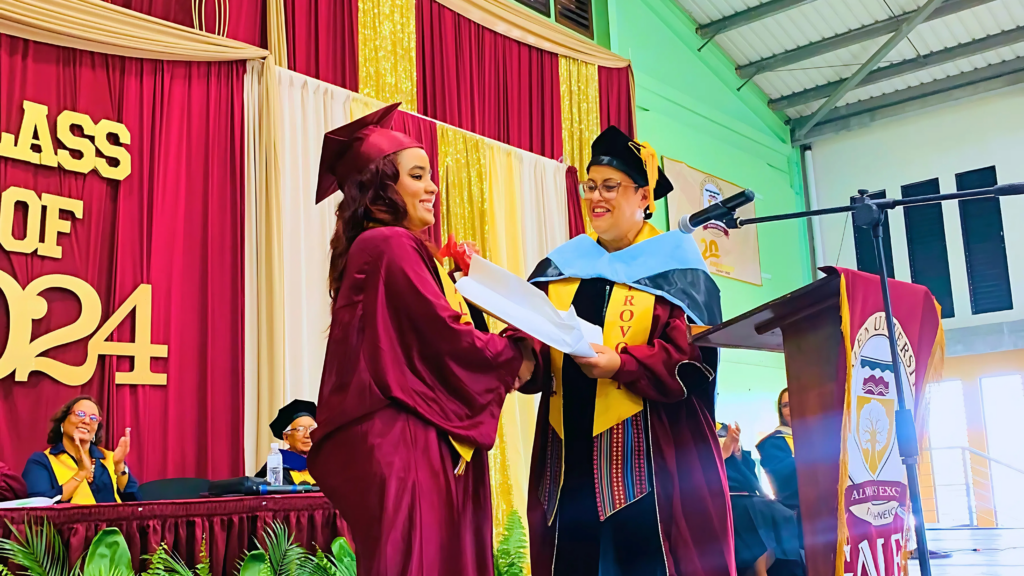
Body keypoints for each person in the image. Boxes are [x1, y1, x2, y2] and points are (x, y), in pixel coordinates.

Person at [306, 103, 535, 576]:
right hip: (409, 441)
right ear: (378, 189)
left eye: (430, 175)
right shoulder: (390, 243)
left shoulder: (371, 247)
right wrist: (518, 352)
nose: (432, 188)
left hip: (400, 437)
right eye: (417, 176)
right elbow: (443, 339)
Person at [515, 125, 734, 576]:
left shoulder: (678, 271)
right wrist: (520, 358)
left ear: (644, 196)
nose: (596, 197)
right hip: (567, 462)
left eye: (610, 186)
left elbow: (695, 361)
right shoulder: (563, 265)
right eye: (590, 185)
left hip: (648, 465)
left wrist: (622, 363)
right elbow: (535, 337)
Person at [718, 423, 803, 576]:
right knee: (757, 512)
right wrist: (723, 452)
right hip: (720, 499)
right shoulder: (693, 431)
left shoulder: (724, 429)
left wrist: (737, 452)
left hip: (746, 496)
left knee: (782, 513)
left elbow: (748, 473)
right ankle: (759, 571)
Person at [22, 396, 137, 504]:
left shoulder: (109, 458)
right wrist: (81, 473)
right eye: (80, 414)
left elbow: (135, 504)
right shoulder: (41, 461)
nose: (86, 421)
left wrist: (119, 467)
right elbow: (39, 507)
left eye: (93, 418)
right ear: (63, 422)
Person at [256, 399, 318, 485]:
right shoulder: (278, 466)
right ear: (286, 438)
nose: (308, 435)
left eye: (312, 429)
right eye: (300, 429)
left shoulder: (325, 464)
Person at [756, 389, 798, 514]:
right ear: (781, 411)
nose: (791, 408)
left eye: (796, 402)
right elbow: (782, 478)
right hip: (794, 512)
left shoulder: (817, 436)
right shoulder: (772, 443)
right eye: (786, 405)